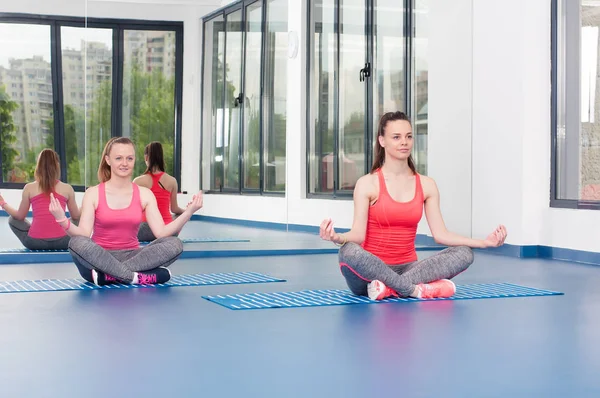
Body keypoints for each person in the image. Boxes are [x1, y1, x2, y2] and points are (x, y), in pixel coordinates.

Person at [319, 111, 507, 300]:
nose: (404, 142)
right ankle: (412, 290)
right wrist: (337, 237)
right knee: (347, 251)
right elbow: (358, 235)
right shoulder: (367, 183)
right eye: (396, 137)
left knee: (464, 254)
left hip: (409, 268)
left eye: (409, 136)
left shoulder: (426, 184)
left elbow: (441, 235)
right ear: (382, 141)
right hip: (369, 274)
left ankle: (389, 289)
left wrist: (484, 242)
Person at [49, 137, 203, 286]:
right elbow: (83, 233)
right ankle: (135, 277)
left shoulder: (144, 194)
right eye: (118, 158)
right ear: (108, 160)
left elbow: (162, 233)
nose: (124, 163)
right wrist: (62, 219)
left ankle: (110, 276)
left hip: (133, 256)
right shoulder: (93, 193)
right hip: (99, 257)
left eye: (129, 158)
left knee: (174, 243)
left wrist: (188, 212)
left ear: (135, 160)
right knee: (76, 243)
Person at [0, 149, 80, 250]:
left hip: (35, 242)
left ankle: (36, 232)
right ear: (57, 166)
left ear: (38, 166)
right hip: (64, 241)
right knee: (79, 219)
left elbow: (19, 216)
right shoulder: (67, 188)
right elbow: (76, 216)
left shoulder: (29, 188)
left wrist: (2, 203)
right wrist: (87, 205)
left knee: (12, 220)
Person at [133, 141, 185, 242]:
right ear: (162, 157)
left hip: (147, 230)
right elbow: (174, 209)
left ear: (146, 158)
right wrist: (187, 212)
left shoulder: (138, 181)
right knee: (178, 215)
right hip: (168, 230)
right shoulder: (172, 180)